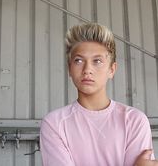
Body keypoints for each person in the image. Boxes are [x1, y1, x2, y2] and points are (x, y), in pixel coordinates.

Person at [40, 23, 158, 166]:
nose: (87, 69)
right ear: (69, 69)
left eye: (97, 61)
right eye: (78, 60)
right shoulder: (55, 124)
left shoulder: (134, 121)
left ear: (112, 70)